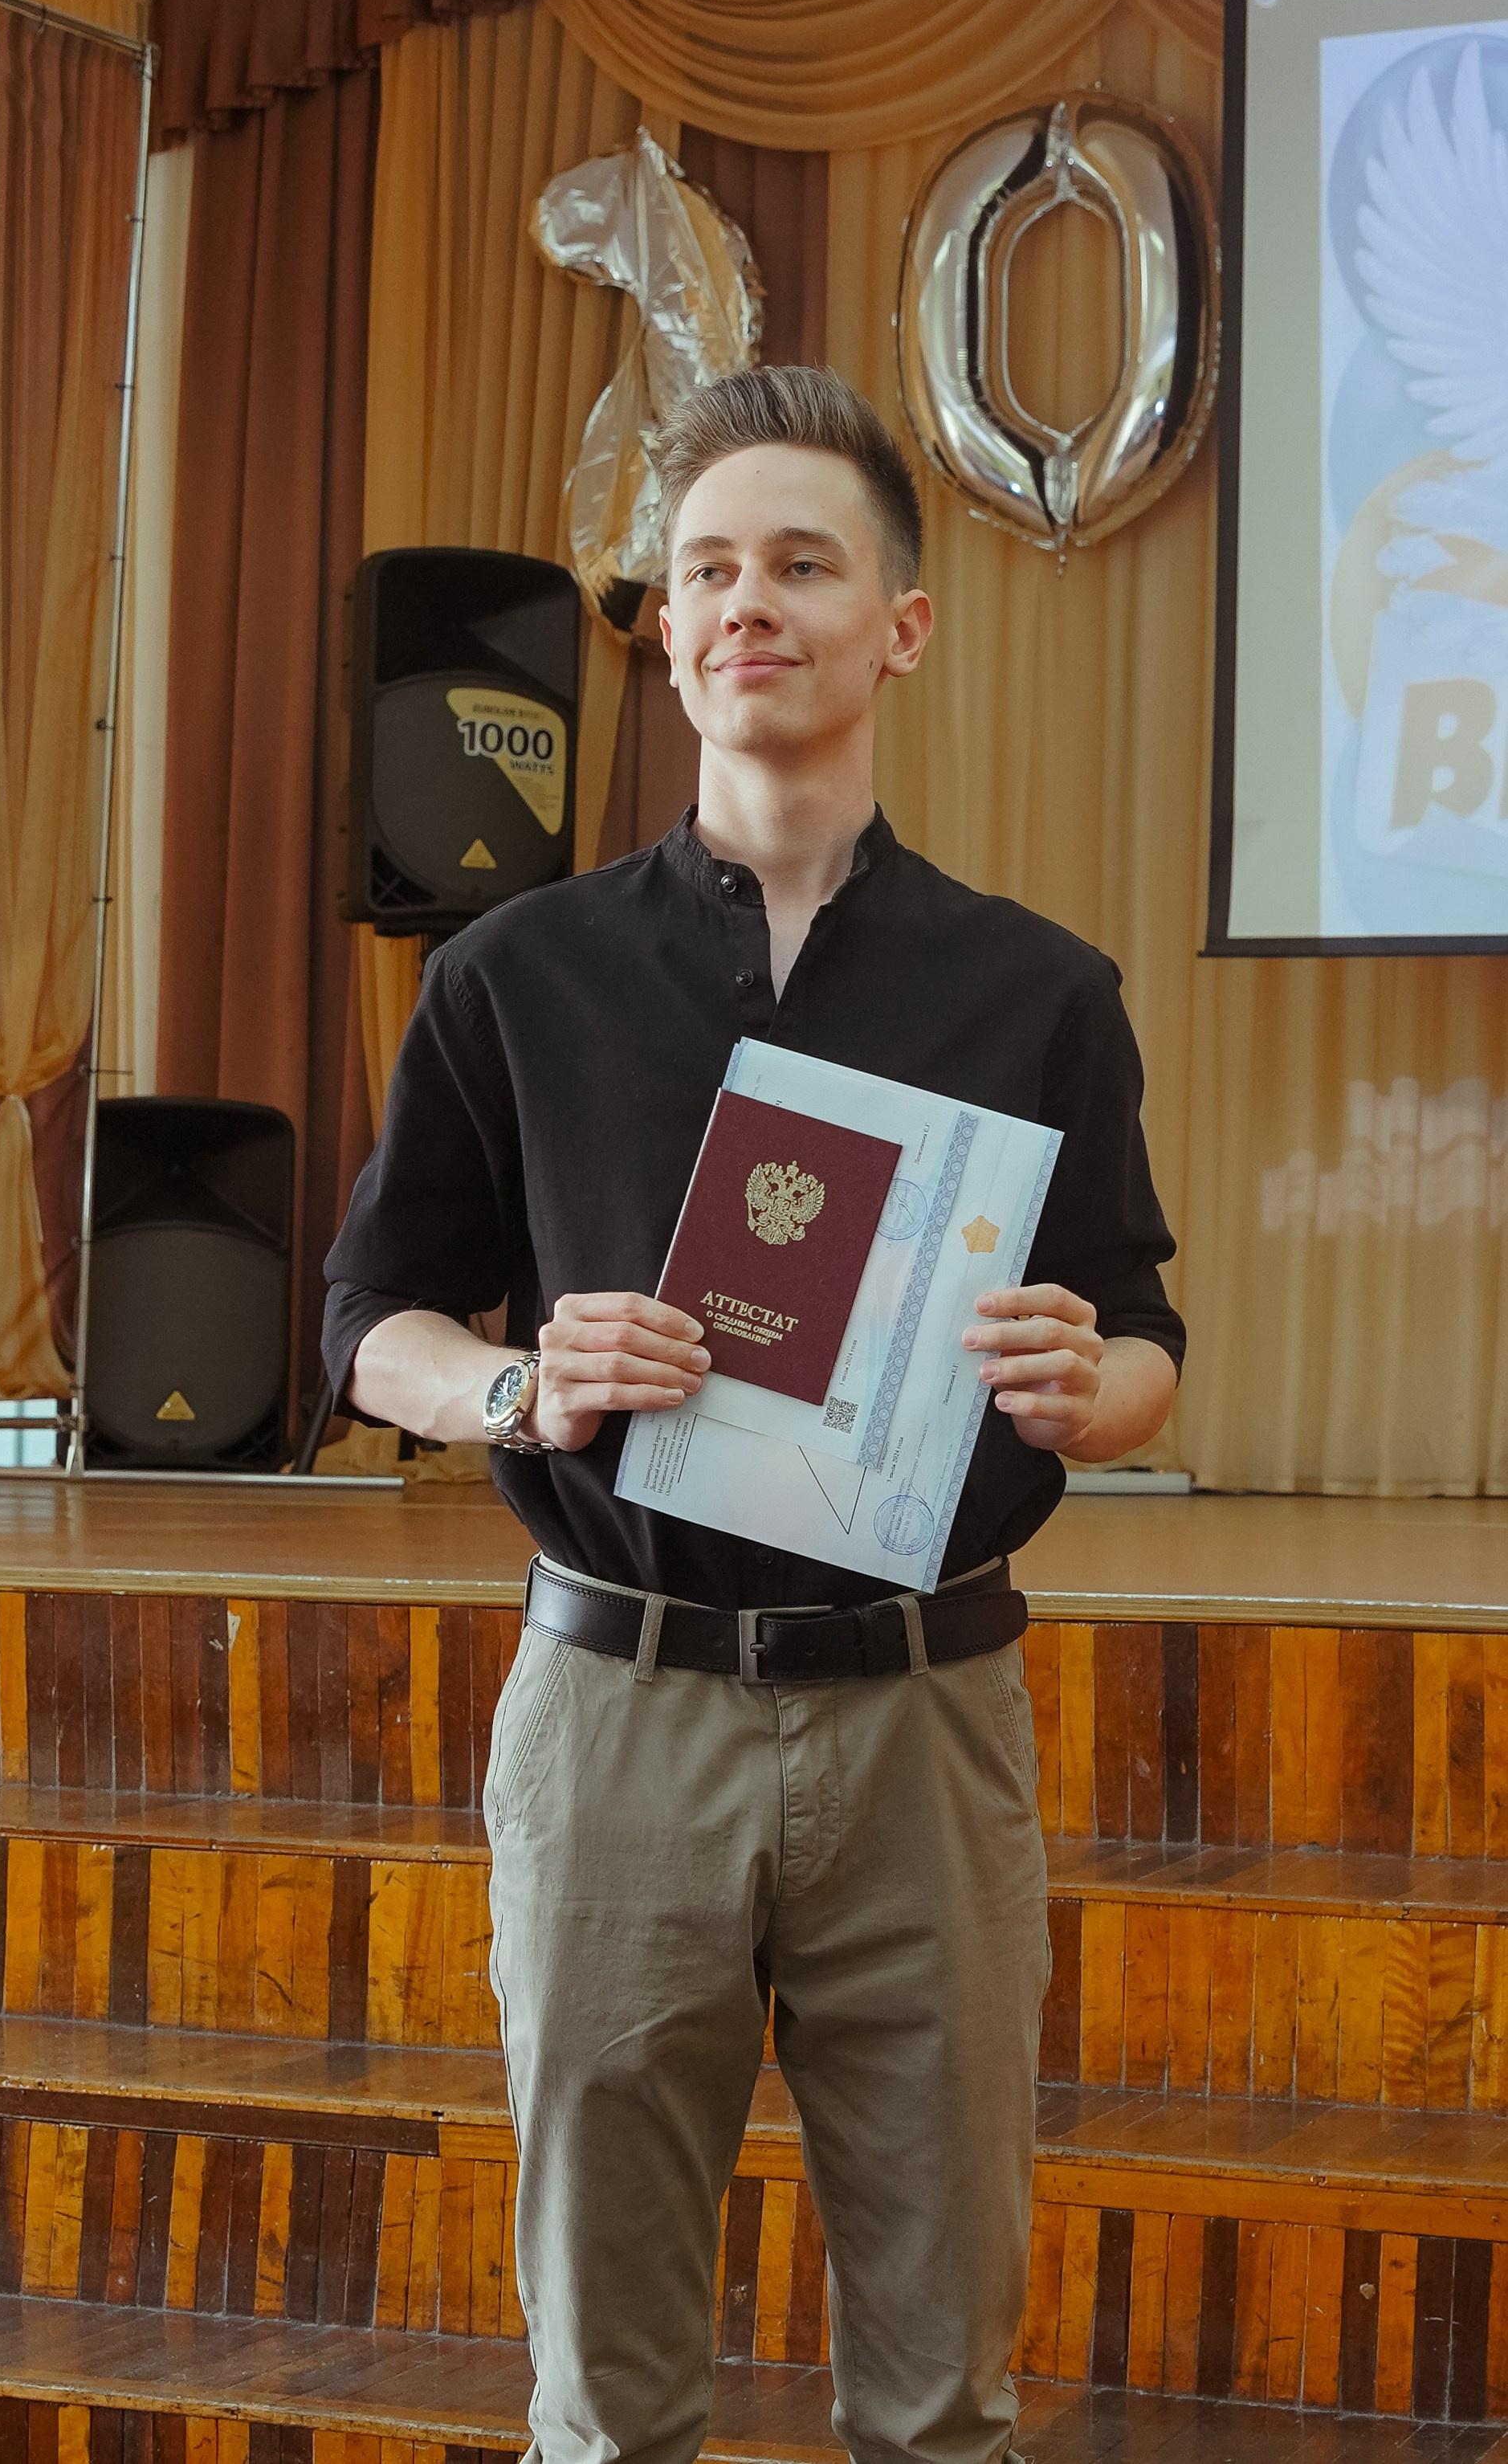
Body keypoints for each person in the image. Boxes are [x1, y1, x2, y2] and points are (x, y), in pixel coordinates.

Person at [323, 366, 1184, 2464]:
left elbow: (1145, 1330)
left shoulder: (1036, 990)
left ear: (901, 624)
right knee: (607, 2400)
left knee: (943, 2392)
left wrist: (1096, 1390)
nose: (745, 604)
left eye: (802, 564)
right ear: (665, 629)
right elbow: (365, 1320)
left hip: (926, 1715)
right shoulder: (513, 973)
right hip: (619, 1712)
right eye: (705, 569)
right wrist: (517, 1383)